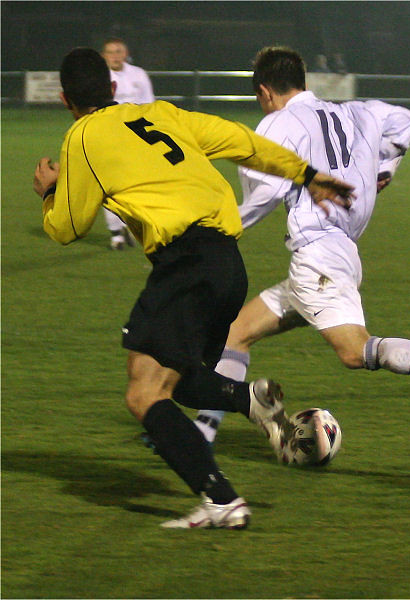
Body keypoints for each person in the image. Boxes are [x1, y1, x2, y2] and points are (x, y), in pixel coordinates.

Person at [32, 47, 353, 530]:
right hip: (227, 263)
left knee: (144, 394)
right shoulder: (160, 114)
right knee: (170, 376)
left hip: (186, 264)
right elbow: (241, 140)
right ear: (114, 89)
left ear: (64, 99)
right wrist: (307, 175)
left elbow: (68, 226)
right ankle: (249, 402)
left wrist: (52, 192)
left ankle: (222, 501)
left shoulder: (81, 138)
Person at [191, 46, 410, 456]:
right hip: (339, 253)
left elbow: (266, 191)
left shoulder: (278, 123)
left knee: (355, 351)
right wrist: (384, 169)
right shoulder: (355, 112)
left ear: (264, 91)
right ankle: (202, 435)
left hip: (318, 256)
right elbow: (404, 119)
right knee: (237, 332)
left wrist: (219, 232)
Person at [101, 37, 155, 250]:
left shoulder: (138, 74)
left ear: (125, 54)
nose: (114, 56)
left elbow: (150, 105)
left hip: (136, 138)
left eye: (118, 51)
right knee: (110, 186)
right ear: (104, 55)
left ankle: (128, 226)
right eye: (110, 52)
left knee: (136, 186)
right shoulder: (99, 77)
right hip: (109, 138)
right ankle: (116, 234)